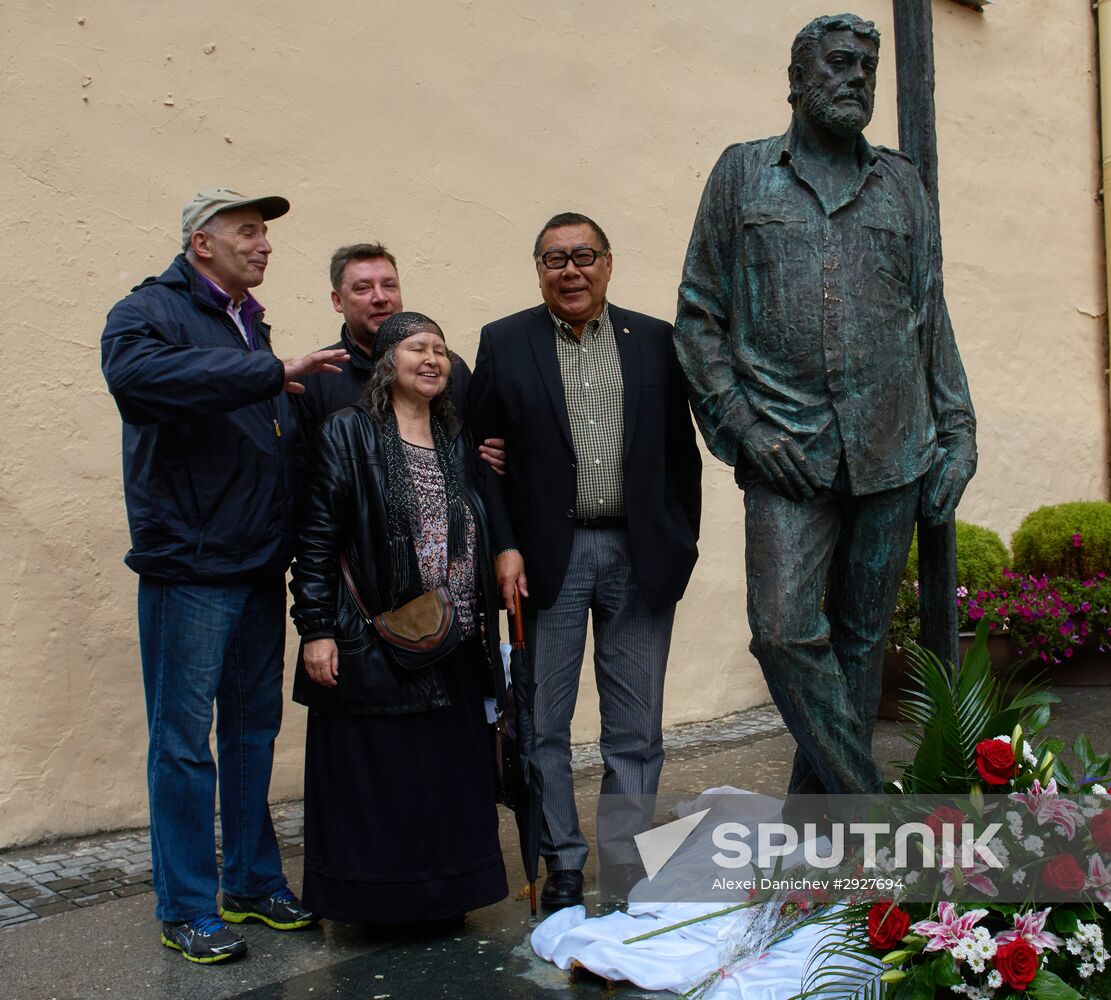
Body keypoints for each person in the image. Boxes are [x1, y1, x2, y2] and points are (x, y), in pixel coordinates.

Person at [673, 14, 976, 797]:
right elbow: (700, 317)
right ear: (798, 80)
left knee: (858, 646)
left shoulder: (901, 183)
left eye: (868, 68)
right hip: (786, 449)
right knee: (781, 633)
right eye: (840, 64)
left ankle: (822, 832)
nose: (857, 79)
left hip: (891, 445)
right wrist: (742, 427)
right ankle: (874, 812)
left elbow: (928, 314)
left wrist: (960, 430)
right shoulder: (742, 175)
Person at [100, 188, 348, 963]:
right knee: (183, 743)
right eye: (248, 232)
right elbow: (139, 383)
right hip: (190, 565)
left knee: (252, 732)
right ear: (201, 243)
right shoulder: (147, 312)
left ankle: (249, 882)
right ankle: (184, 905)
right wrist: (265, 372)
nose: (264, 245)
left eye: (265, 235)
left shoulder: (248, 321)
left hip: (253, 563)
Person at [468, 212, 702, 910]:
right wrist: (505, 545)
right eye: (553, 259)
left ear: (607, 263)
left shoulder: (657, 342)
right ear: (538, 269)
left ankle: (627, 869)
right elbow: (482, 460)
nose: (570, 270)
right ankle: (562, 863)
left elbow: (682, 459)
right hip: (546, 562)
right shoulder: (505, 343)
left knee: (636, 729)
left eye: (583, 255)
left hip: (640, 556)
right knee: (545, 725)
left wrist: (678, 543)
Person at [289, 311, 508, 926]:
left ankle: (446, 897)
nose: (433, 359)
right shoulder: (348, 432)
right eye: (418, 348)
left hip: (456, 638)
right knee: (383, 778)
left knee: (444, 779)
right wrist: (316, 629)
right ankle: (378, 903)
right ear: (388, 363)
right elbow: (316, 538)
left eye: (440, 348)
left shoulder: (455, 437)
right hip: (378, 641)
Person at [294, 242, 505, 473]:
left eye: (389, 285)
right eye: (363, 288)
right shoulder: (316, 377)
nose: (381, 297)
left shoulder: (448, 369)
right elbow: (303, 471)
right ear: (337, 301)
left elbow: (480, 445)